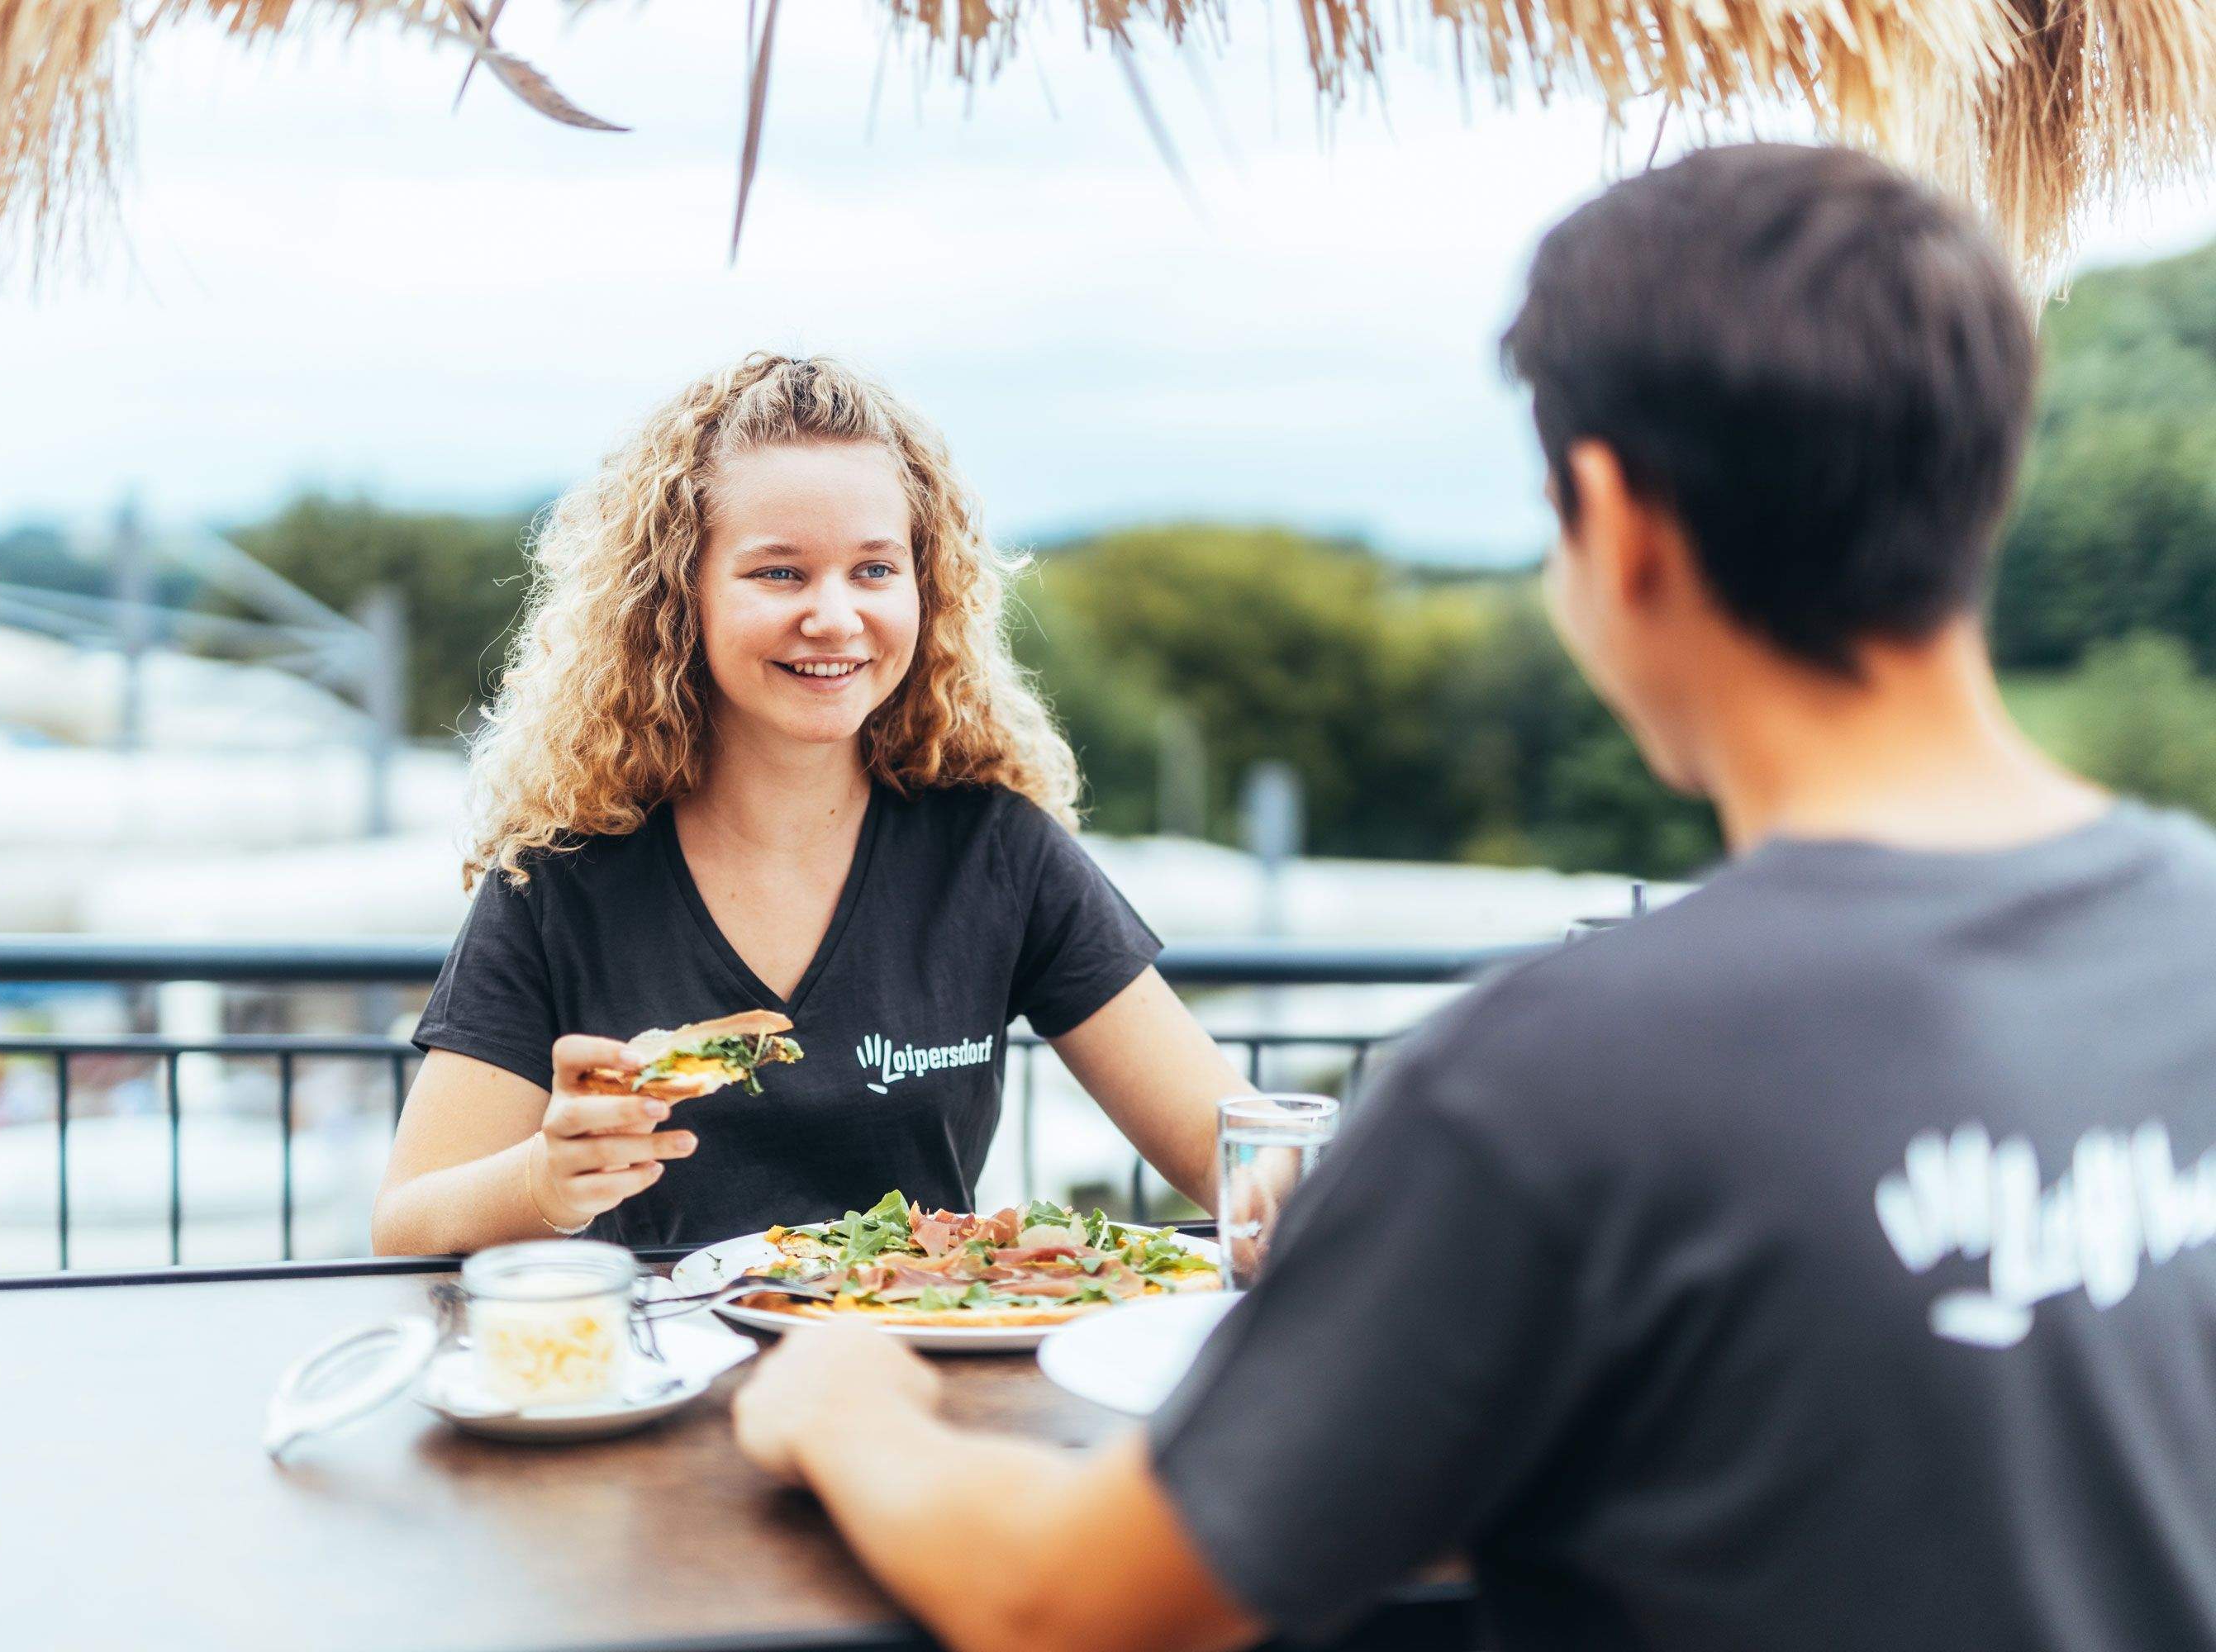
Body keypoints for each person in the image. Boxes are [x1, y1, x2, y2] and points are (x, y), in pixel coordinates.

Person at [729, 144, 2216, 1652]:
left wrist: (849, 1408)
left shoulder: (1563, 1082)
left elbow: (1067, 1608)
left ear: (1614, 519)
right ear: (1984, 479)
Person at [373, 354, 1247, 1255]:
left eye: (874, 569)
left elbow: (1235, 1153)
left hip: (913, 1379)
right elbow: (405, 1226)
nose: (835, 616)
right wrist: (545, 1179)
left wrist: (1382, 1171)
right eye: (780, 573)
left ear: (925, 586)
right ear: (680, 598)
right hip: (663, 1383)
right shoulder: (562, 879)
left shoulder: (994, 853)